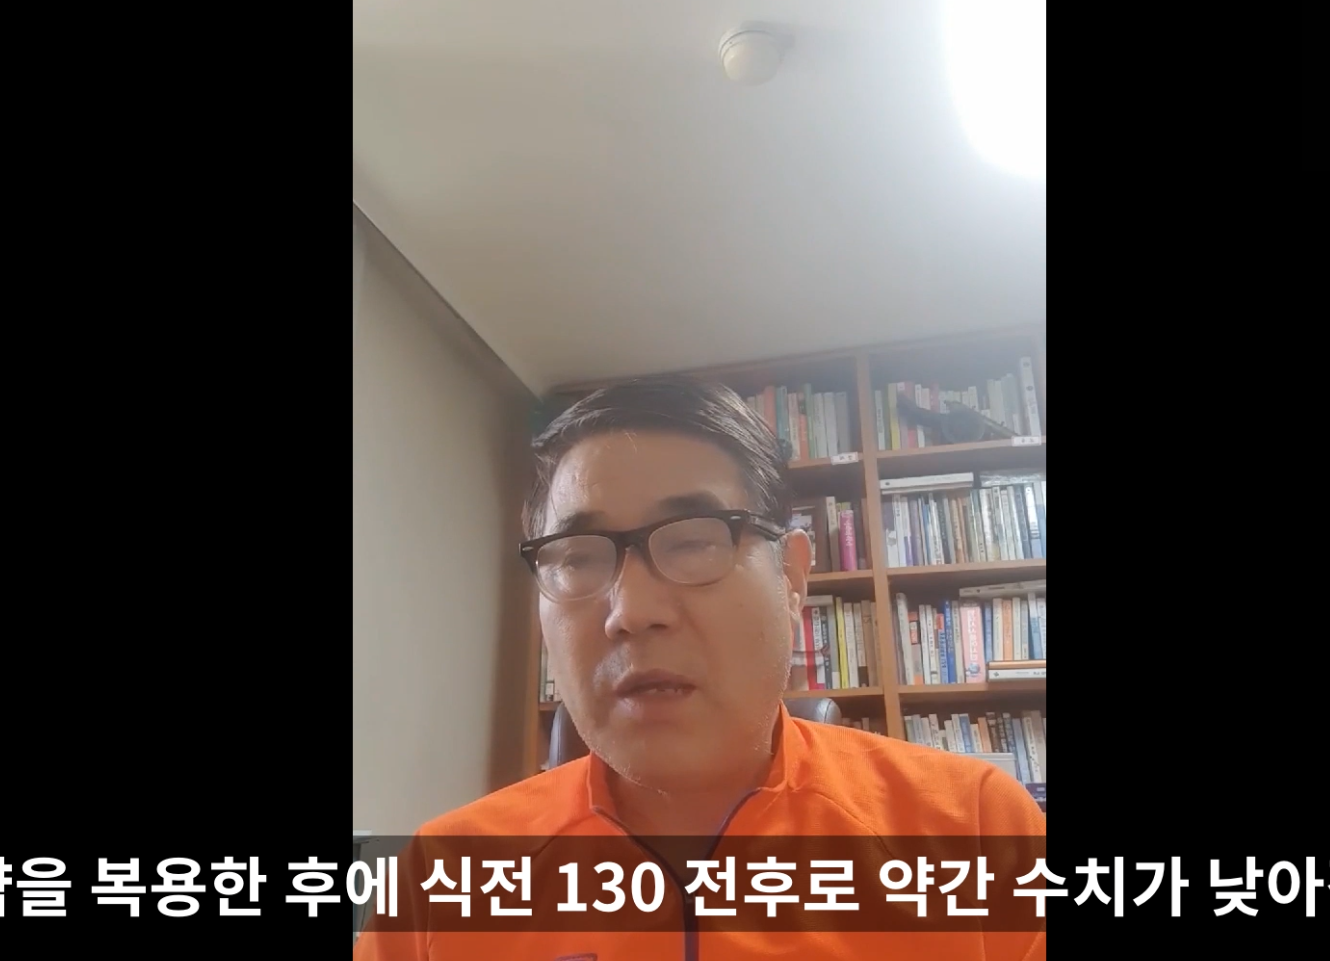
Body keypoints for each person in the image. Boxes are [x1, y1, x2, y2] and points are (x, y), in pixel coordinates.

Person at [355, 375, 1046, 961]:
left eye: (692, 543)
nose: (631, 611)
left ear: (792, 578)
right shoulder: (437, 882)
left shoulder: (976, 828)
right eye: (579, 557)